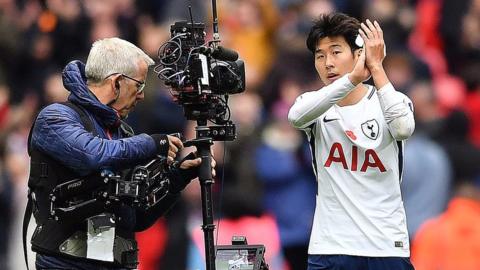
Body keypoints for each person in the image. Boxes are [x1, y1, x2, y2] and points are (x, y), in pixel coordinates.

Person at [27, 37, 214, 270]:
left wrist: (178, 177)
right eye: (139, 86)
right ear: (116, 82)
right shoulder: (55, 118)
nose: (142, 96)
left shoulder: (122, 132)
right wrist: (152, 143)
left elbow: (136, 218)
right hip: (66, 264)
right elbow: (92, 155)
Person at [287, 13, 415, 270]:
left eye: (336, 52)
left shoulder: (391, 100)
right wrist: (353, 79)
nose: (327, 63)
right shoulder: (313, 105)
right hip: (331, 246)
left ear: (359, 55)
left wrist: (376, 67)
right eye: (320, 55)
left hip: (385, 245)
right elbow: (295, 117)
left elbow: (403, 128)